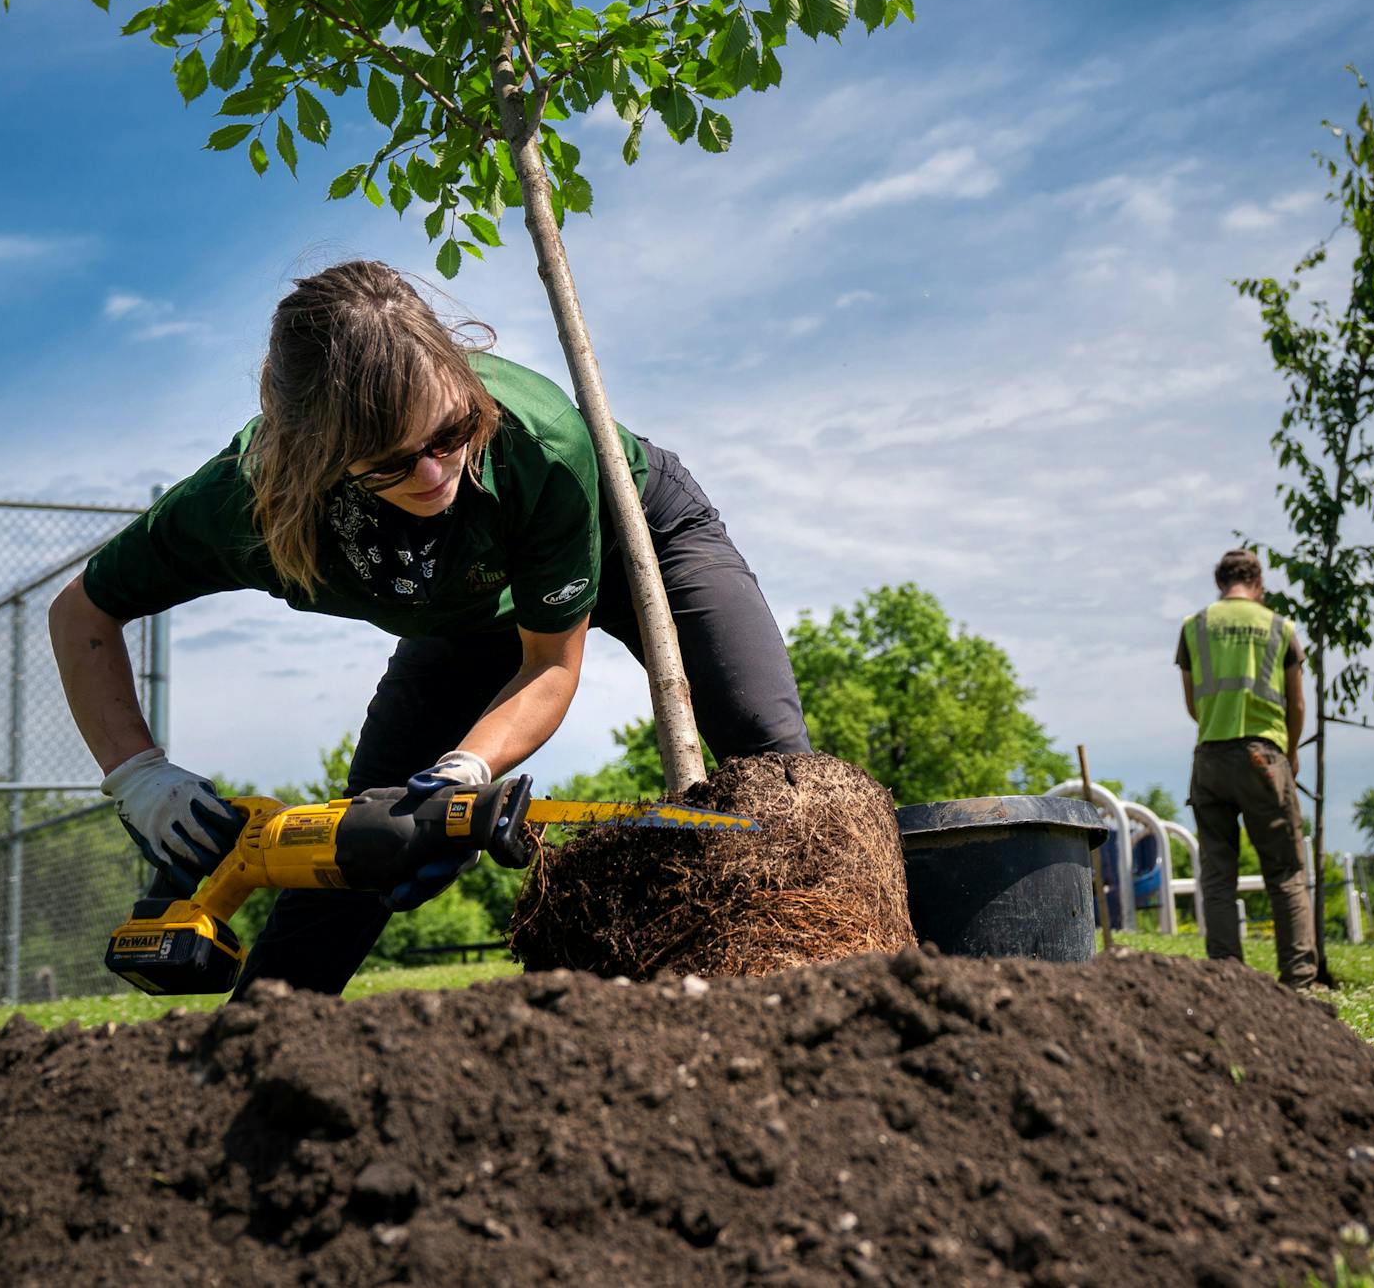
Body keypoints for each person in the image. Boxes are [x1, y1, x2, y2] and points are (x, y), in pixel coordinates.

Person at [50, 259, 808, 994]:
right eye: (389, 462)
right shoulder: (241, 507)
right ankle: (254, 1050)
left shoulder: (535, 443)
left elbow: (550, 663)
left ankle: (842, 980)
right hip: (462, 609)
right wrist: (137, 775)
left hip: (634, 529)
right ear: (314, 458)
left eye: (449, 433)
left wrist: (466, 769)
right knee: (360, 849)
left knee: (778, 765)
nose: (435, 473)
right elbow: (82, 611)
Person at [1174, 548, 1316, 990]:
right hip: (1264, 757)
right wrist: (1288, 753)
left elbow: (1192, 703)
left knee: (1217, 875)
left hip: (1210, 758)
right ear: (1258, 583)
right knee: (1286, 873)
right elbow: (1296, 702)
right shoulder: (1280, 628)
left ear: (1221, 582)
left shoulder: (1193, 628)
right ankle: (1299, 980)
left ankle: (1227, 977)